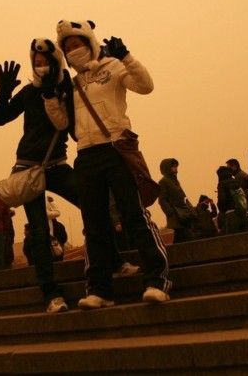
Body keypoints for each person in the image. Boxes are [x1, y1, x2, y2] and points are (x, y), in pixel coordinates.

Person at [0, 39, 137, 313]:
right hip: (28, 169)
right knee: (38, 233)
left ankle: (114, 261)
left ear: (56, 62)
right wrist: (2, 93)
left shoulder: (67, 89)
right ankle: (51, 295)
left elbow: (73, 128)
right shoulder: (28, 92)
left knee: (95, 209)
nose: (41, 66)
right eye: (36, 62)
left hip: (57, 165)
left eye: (46, 61)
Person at [57, 19, 171, 308]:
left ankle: (157, 280)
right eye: (67, 47)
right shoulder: (70, 85)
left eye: (77, 44)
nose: (73, 50)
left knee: (134, 215)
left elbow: (146, 86)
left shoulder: (112, 65)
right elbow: (61, 121)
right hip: (86, 154)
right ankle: (99, 290)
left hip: (116, 148)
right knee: (94, 225)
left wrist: (127, 57)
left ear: (90, 43)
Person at [157, 158, 198, 243]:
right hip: (176, 215)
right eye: (173, 166)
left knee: (181, 238)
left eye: (176, 166)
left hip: (183, 214)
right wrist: (170, 212)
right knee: (186, 236)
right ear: (167, 168)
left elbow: (183, 197)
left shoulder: (175, 180)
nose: (176, 168)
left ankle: (173, 254)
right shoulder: (163, 181)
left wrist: (191, 209)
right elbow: (162, 200)